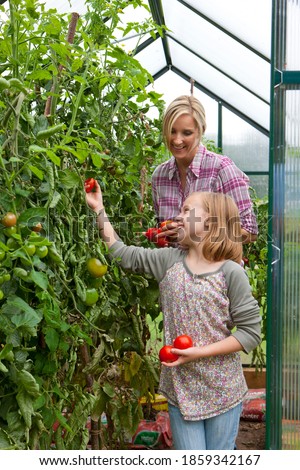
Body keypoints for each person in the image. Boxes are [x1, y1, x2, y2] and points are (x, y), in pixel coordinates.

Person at [85, 180, 261, 450]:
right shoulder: (169, 261)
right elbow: (122, 254)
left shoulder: (230, 272)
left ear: (211, 224)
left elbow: (250, 334)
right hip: (181, 389)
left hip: (223, 388)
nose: (179, 215)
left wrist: (198, 352)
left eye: (188, 211)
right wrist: (99, 210)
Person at [151, 95, 258, 245]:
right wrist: (166, 233)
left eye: (187, 133)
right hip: (176, 267)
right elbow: (164, 235)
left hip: (217, 267)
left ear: (201, 130)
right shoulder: (159, 177)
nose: (177, 140)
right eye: (172, 131)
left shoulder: (221, 169)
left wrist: (198, 234)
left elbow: (249, 232)